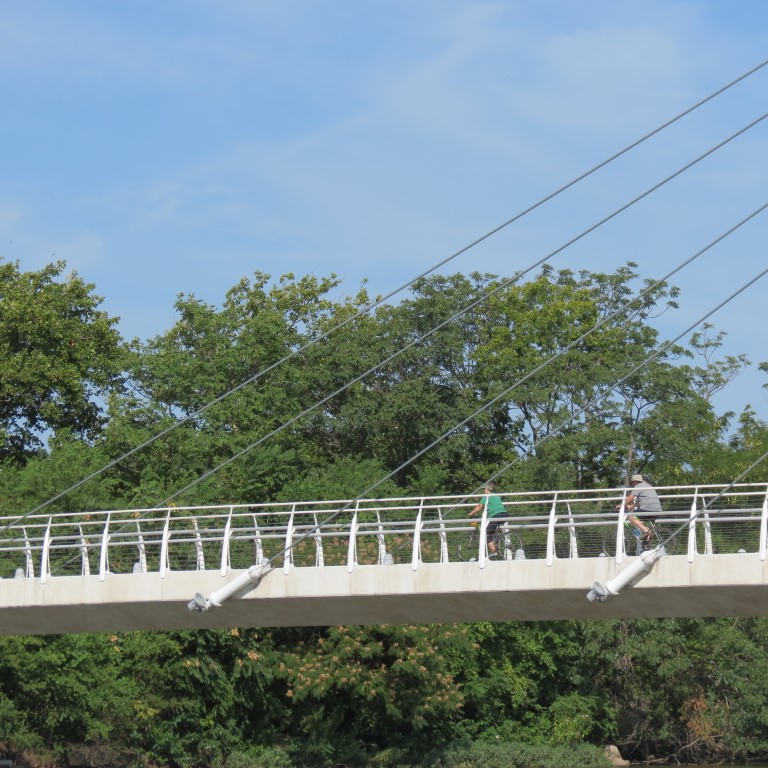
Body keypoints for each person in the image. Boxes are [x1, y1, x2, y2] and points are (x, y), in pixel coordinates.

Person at [468, 480, 509, 555]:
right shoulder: (496, 495)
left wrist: (471, 513)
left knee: (486, 532)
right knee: (491, 531)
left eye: (484, 489)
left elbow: (479, 506)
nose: (483, 491)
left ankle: (494, 551)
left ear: (487, 489)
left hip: (497, 515)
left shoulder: (487, 496)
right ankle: (496, 545)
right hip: (504, 514)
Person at [621, 474, 663, 543]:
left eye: (632, 483)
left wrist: (621, 505)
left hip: (649, 509)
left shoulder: (639, 486)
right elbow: (642, 500)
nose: (632, 484)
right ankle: (647, 544)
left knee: (631, 517)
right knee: (641, 523)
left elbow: (630, 497)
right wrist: (632, 506)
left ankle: (646, 531)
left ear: (635, 481)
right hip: (657, 510)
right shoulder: (648, 485)